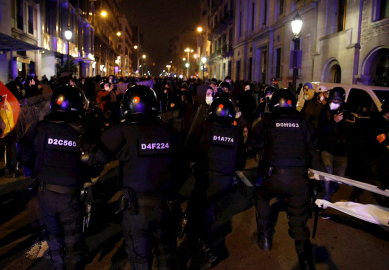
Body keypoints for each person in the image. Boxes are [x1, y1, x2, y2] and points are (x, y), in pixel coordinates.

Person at [91, 85, 186, 269]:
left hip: (136, 210)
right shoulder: (171, 132)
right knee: (166, 255)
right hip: (166, 205)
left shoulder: (120, 132)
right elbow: (183, 166)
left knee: (139, 260)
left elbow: (94, 159)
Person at [17, 85, 90, 269]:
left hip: (45, 193)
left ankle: (58, 265)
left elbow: (24, 153)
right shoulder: (83, 131)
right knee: (73, 239)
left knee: (53, 234)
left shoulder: (40, 128)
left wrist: (36, 167)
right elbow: (94, 163)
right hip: (70, 196)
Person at [251, 89, 316, 270]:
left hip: (274, 176)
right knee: (297, 219)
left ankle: (264, 238)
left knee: (262, 198)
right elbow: (313, 145)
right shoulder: (303, 122)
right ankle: (305, 260)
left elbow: (254, 142)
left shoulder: (267, 121)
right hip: (299, 178)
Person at [185, 96, 245, 269]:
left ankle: (206, 249)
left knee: (198, 216)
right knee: (205, 211)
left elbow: (190, 150)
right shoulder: (236, 132)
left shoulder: (203, 127)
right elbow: (240, 161)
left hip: (205, 178)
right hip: (225, 181)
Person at [317, 87, 355, 208]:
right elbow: (320, 130)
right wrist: (334, 121)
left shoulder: (347, 110)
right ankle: (324, 204)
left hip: (342, 152)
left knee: (338, 180)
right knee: (326, 179)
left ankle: (326, 196)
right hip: (328, 150)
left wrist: (352, 124)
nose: (335, 101)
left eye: (338, 99)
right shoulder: (325, 112)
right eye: (333, 99)